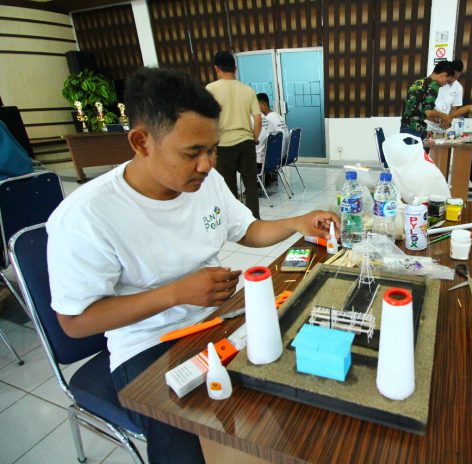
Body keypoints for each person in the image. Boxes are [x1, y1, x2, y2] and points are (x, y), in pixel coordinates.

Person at [46, 67, 339, 464]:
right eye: (192, 153)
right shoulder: (85, 216)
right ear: (141, 141)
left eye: (212, 150)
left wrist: (295, 222)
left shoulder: (205, 183)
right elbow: (74, 322)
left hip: (219, 320)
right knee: (193, 434)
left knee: (299, 387)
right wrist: (175, 294)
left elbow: (247, 230)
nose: (206, 165)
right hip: (148, 348)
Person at [205, 51, 262, 218]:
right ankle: (254, 220)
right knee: (250, 184)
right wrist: (255, 138)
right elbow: (257, 120)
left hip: (223, 144)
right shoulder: (248, 90)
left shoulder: (211, 89)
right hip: (246, 142)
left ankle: (236, 219)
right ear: (235, 68)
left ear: (216, 68)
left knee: (229, 186)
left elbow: (207, 118)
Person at [399, 61, 454, 141]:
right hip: (415, 130)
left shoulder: (418, 82)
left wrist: (433, 119)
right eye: (447, 81)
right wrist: (445, 116)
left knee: (407, 152)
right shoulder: (434, 85)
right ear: (444, 74)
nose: (445, 84)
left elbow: (416, 110)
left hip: (405, 127)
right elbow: (428, 112)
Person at [425, 59, 464, 133]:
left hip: (442, 127)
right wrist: (435, 117)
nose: (453, 79)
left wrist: (447, 122)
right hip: (427, 124)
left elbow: (453, 109)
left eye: (456, 77)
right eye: (453, 76)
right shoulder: (433, 83)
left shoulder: (458, 87)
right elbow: (425, 107)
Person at [255, 92, 289, 168]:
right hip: (284, 155)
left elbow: (261, 140)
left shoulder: (268, 119)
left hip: (275, 158)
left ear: (264, 105)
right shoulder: (277, 116)